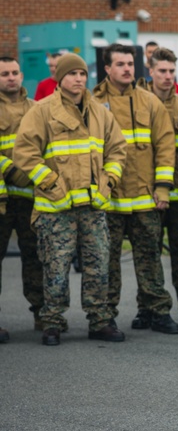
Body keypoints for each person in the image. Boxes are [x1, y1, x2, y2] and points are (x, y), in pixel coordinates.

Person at [13, 53, 127, 346]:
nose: (79, 78)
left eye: (81, 73)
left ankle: (100, 320)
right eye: (72, 74)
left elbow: (117, 150)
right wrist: (50, 182)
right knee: (55, 267)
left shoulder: (99, 112)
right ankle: (52, 322)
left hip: (93, 207)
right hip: (56, 209)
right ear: (59, 79)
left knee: (98, 265)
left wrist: (109, 181)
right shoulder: (41, 111)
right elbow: (25, 153)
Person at [92, 43, 178, 335]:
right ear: (107, 69)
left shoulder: (149, 101)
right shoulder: (92, 102)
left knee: (150, 259)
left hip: (145, 197)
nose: (128, 69)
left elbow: (166, 145)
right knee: (107, 262)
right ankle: (105, 316)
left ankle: (158, 312)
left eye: (131, 64)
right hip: (110, 198)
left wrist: (163, 187)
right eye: (120, 64)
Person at [145, 47, 178, 326]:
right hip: (148, 192)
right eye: (162, 71)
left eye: (171, 71)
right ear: (150, 71)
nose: (168, 77)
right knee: (149, 255)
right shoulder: (140, 103)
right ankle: (148, 308)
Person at [0, 56, 43, 337]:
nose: (11, 78)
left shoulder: (36, 109)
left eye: (15, 72)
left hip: (31, 199)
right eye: (4, 74)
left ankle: (43, 315)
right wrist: (13, 171)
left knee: (36, 258)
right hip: (2, 202)